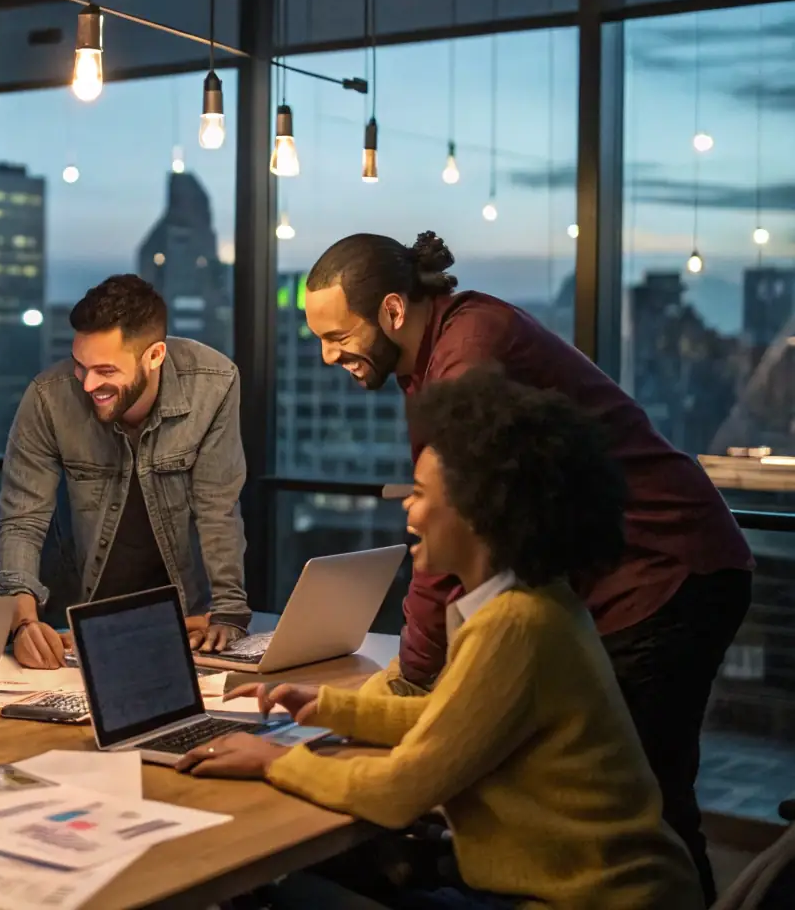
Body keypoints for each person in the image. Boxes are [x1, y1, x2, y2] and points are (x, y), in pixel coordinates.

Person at [299, 231, 751, 901]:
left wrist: (414, 676)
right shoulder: (435, 350)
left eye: (336, 335)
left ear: (392, 310)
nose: (326, 353)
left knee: (645, 805)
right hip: (624, 569)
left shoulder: (468, 354)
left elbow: (453, 519)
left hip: (664, 568)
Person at [176, 371, 705, 910]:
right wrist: (331, 708)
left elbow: (401, 790)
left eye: (422, 493)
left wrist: (273, 761)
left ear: (479, 509)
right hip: (611, 892)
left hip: (584, 901)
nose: (408, 507)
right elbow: (458, 721)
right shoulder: (538, 602)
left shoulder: (515, 626)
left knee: (283, 899)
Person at [0, 274, 251, 669]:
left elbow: (218, 507)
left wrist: (228, 613)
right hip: (79, 625)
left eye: (106, 371)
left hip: (183, 622)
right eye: (80, 366)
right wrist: (24, 623)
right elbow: (21, 521)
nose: (88, 383)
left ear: (155, 356)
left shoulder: (214, 384)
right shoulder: (48, 397)